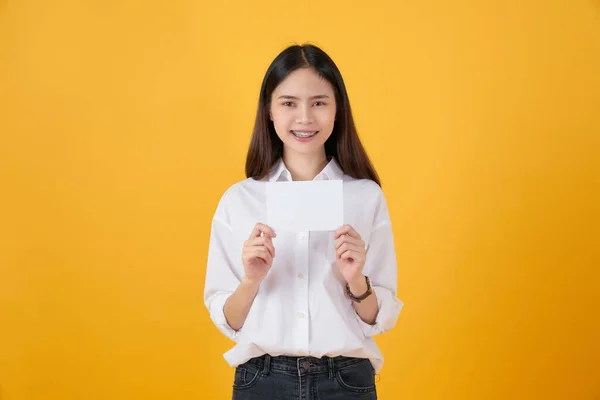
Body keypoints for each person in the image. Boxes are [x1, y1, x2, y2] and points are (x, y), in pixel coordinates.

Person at [204, 43, 403, 400]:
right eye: (289, 103)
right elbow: (229, 321)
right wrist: (251, 279)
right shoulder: (240, 200)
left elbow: (379, 318)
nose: (305, 118)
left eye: (319, 102)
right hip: (262, 382)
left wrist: (356, 279)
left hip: (346, 382)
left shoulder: (365, 196)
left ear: (338, 109)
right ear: (269, 110)